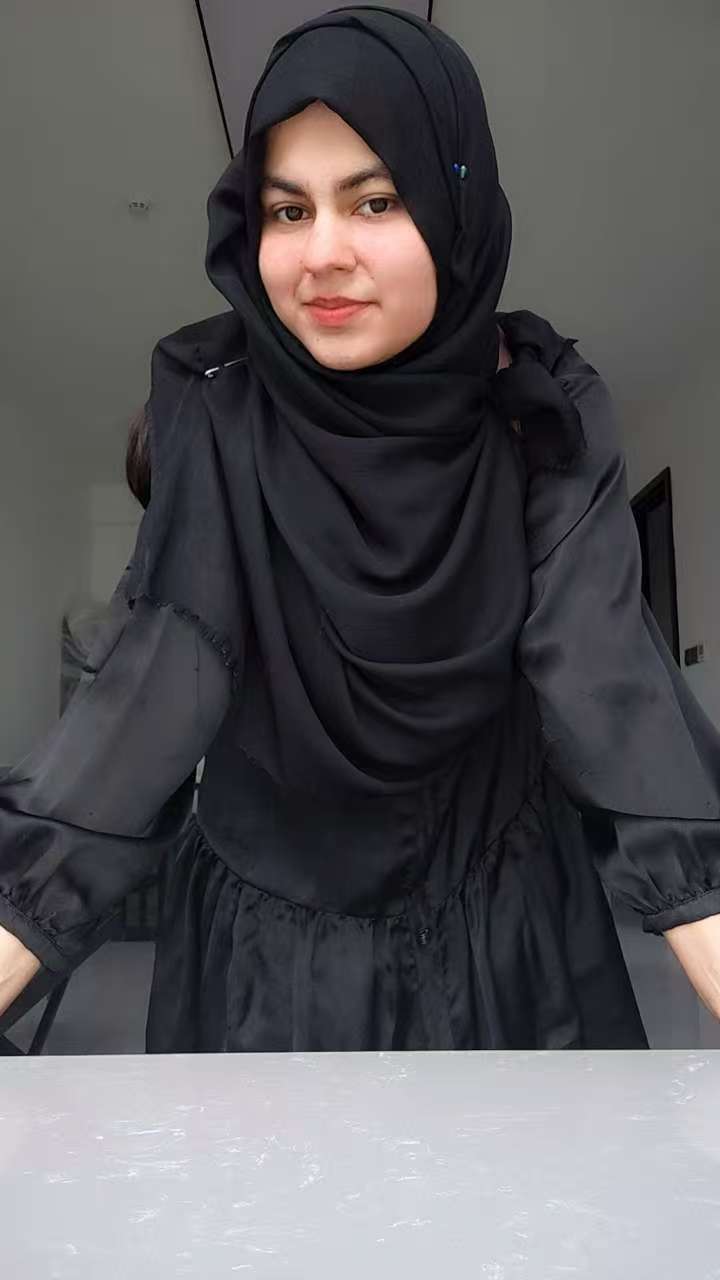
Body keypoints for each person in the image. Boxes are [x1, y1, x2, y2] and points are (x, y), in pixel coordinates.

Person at [1, 6, 719, 1051]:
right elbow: (158, 678)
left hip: (510, 936)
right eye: (287, 211)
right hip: (263, 957)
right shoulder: (218, 410)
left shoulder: (542, 411)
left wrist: (700, 903)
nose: (322, 254)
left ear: (455, 206)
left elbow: (606, 672)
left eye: (376, 200)